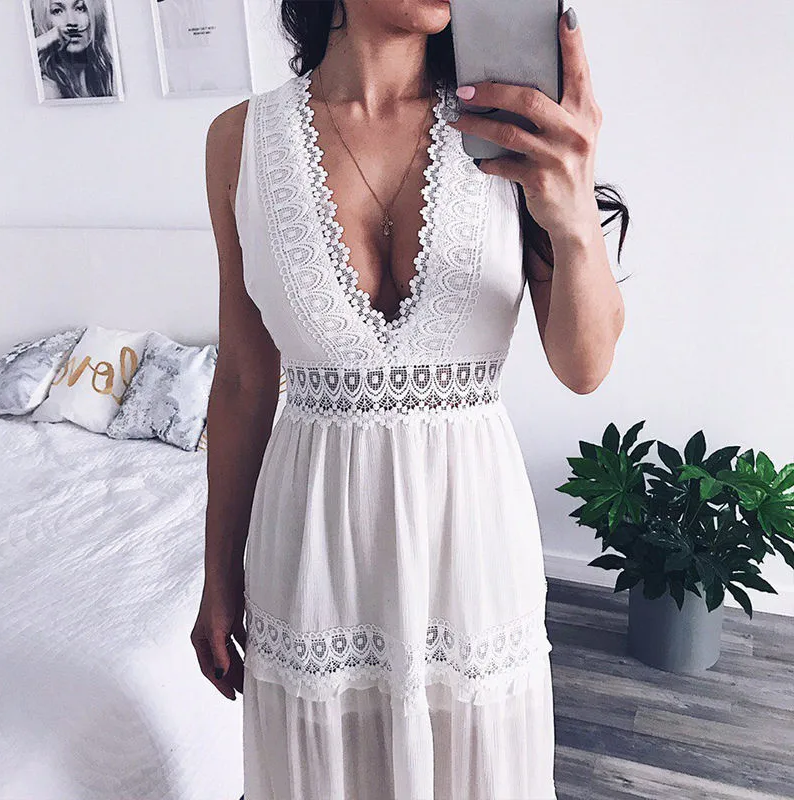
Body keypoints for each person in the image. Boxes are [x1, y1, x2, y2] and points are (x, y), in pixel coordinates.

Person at [191, 1, 629, 798]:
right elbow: (245, 380)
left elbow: (585, 365)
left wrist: (573, 216)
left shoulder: (510, 122)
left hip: (470, 553)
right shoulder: (238, 142)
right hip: (314, 559)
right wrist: (218, 576)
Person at [31, 0, 114, 99]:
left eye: (80, 8)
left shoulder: (109, 75)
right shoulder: (48, 89)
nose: (71, 22)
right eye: (57, 11)